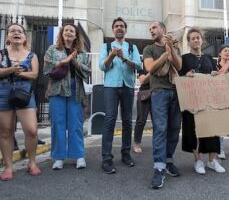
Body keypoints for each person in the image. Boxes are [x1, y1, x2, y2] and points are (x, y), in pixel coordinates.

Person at [179, 27, 225, 175]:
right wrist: (187, 75)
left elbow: (214, 75)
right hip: (192, 100)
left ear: (201, 40)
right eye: (192, 38)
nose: (195, 40)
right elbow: (180, 78)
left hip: (208, 100)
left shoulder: (209, 58)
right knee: (191, 129)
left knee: (213, 129)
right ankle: (198, 160)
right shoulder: (184, 59)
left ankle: (212, 160)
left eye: (197, 37)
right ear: (188, 42)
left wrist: (214, 73)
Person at [44, 23, 90, 170]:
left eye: (72, 31)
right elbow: (46, 68)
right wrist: (63, 61)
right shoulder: (53, 49)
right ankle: (58, 157)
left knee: (75, 124)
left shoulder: (82, 53)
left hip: (75, 90)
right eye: (66, 30)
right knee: (58, 123)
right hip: (57, 90)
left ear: (76, 35)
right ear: (62, 33)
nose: (69, 32)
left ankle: (79, 156)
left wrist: (74, 61)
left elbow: (86, 72)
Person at [99, 17, 142, 174]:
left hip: (128, 86)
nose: (119, 28)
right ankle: (106, 158)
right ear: (113, 29)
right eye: (116, 26)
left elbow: (139, 65)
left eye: (122, 26)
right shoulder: (106, 46)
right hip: (111, 87)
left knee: (127, 121)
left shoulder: (132, 47)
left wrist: (124, 57)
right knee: (110, 120)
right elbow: (102, 66)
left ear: (125, 29)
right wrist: (111, 55)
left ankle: (126, 154)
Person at [143, 21, 182, 189]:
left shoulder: (174, 47)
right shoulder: (148, 49)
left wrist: (171, 49)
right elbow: (150, 68)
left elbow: (179, 66)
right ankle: (159, 168)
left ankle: (168, 160)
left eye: (154, 27)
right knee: (160, 129)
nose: (151, 31)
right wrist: (165, 55)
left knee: (174, 128)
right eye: (150, 29)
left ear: (163, 30)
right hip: (159, 92)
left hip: (176, 91)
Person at [0, 23, 41, 181]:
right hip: (3, 92)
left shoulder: (32, 56)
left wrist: (20, 73)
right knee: (5, 131)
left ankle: (32, 162)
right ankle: (8, 167)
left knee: (31, 130)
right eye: (12, 31)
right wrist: (11, 70)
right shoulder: (2, 54)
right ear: (8, 37)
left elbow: (35, 75)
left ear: (25, 37)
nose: (16, 33)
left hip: (24, 93)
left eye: (20, 31)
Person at [133, 66, 151, 153]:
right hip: (145, 94)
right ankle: (137, 143)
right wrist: (152, 71)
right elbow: (142, 80)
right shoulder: (144, 68)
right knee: (141, 120)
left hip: (158, 93)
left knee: (158, 122)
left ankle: (159, 144)